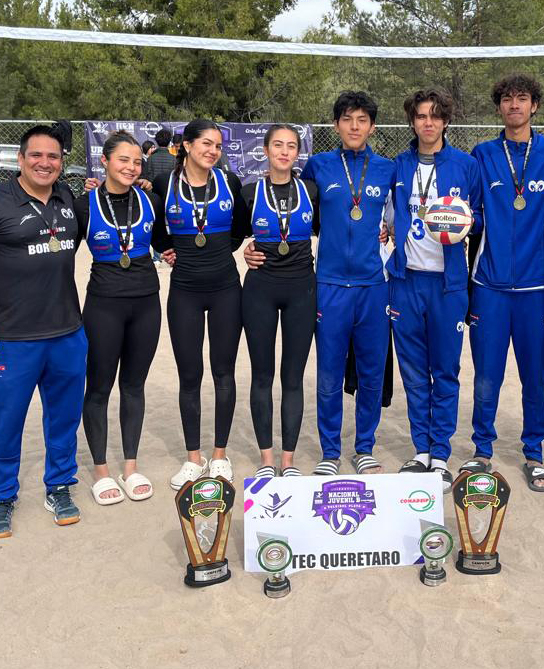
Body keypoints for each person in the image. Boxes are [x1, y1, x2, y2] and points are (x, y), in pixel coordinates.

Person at [0, 124, 87, 539]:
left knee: (64, 418)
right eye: (36, 156)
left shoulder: (69, 199)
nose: (45, 163)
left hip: (67, 331)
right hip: (10, 337)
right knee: (4, 420)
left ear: (61, 162)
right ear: (20, 159)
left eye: (53, 157)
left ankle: (60, 487)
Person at [463, 74, 544, 492]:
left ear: (535, 106)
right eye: (507, 99)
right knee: (487, 374)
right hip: (488, 285)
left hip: (536, 287)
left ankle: (533, 452)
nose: (514, 106)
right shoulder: (484, 153)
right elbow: (469, 212)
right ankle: (482, 450)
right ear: (499, 108)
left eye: (522, 99)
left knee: (532, 376)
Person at [296, 91, 395, 476]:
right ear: (336, 125)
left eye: (362, 120)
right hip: (331, 285)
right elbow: (296, 213)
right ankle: (330, 451)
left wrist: (388, 228)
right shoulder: (318, 166)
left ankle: (365, 446)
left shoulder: (387, 168)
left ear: (372, 126)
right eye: (347, 119)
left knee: (372, 371)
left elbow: (399, 214)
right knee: (329, 373)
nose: (355, 127)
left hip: (374, 286)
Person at [387, 89, 482, 485]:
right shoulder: (398, 165)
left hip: (448, 284)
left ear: (445, 122)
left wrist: (462, 222)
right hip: (406, 280)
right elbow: (387, 215)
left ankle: (440, 454)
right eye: (421, 116)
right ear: (412, 121)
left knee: (445, 370)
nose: (428, 123)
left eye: (435, 116)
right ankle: (420, 449)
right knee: (412, 371)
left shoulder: (465, 165)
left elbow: (478, 217)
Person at [151, 119, 251, 488]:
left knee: (224, 372)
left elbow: (241, 226)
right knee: (189, 375)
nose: (213, 150)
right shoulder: (164, 183)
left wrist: (224, 251)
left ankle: (220, 455)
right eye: (206, 143)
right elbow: (152, 222)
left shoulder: (229, 182)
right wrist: (164, 247)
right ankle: (194, 458)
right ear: (187, 146)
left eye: (218, 146)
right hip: (185, 292)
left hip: (226, 287)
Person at [74, 131, 167, 506]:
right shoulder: (84, 205)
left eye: (136, 161)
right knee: (98, 388)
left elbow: (169, 240)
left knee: (134, 386)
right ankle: (100, 470)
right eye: (123, 160)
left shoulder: (151, 199)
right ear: (106, 162)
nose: (131, 167)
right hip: (103, 305)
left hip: (146, 303)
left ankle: (130, 467)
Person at [239, 125, 319, 478]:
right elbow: (226, 237)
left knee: (293, 377)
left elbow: (337, 225)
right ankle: (267, 460)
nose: (284, 152)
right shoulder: (248, 192)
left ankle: (288, 461)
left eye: (291, 146)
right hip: (260, 288)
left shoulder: (312, 191)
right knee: (262, 375)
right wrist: (244, 250)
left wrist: (385, 229)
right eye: (277, 145)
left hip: (302, 287)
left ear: (298, 152)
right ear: (266, 150)